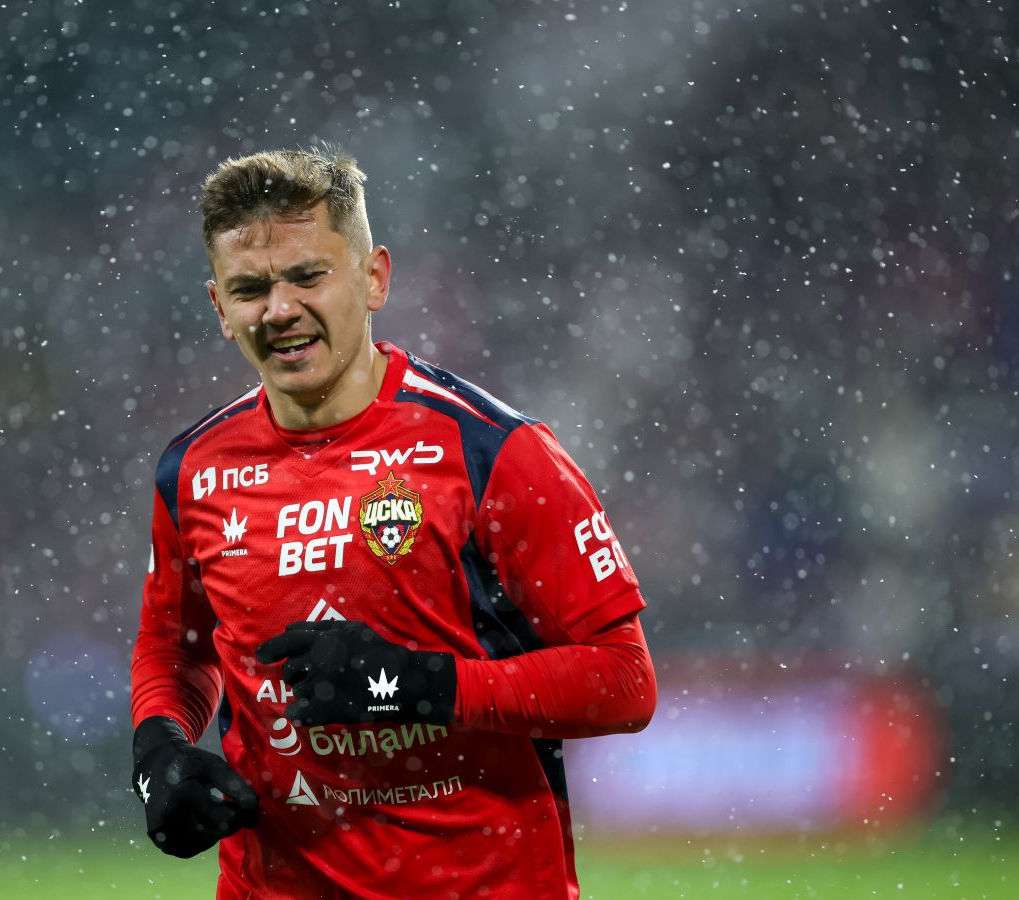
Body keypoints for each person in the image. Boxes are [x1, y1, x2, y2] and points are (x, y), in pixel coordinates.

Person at [129, 146, 656, 900]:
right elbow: (175, 646)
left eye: (308, 276)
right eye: (250, 289)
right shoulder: (192, 469)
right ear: (220, 308)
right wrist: (159, 751)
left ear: (374, 277)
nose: (279, 310)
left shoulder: (492, 451)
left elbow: (624, 680)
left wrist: (421, 684)